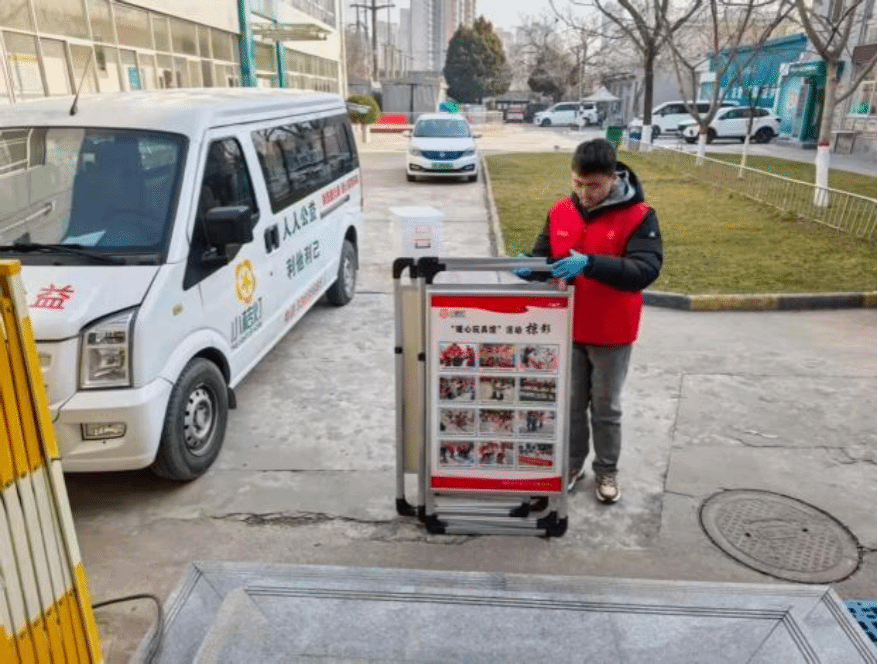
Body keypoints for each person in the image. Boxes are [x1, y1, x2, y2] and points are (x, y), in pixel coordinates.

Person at [513, 139, 663, 504]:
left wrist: (592, 263)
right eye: (578, 183)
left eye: (593, 185)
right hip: (566, 327)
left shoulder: (640, 216)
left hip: (612, 331)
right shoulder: (560, 210)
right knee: (571, 403)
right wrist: (531, 267)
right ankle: (573, 463)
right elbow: (544, 256)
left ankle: (607, 469)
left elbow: (645, 270)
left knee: (606, 407)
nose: (584, 193)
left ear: (613, 177)